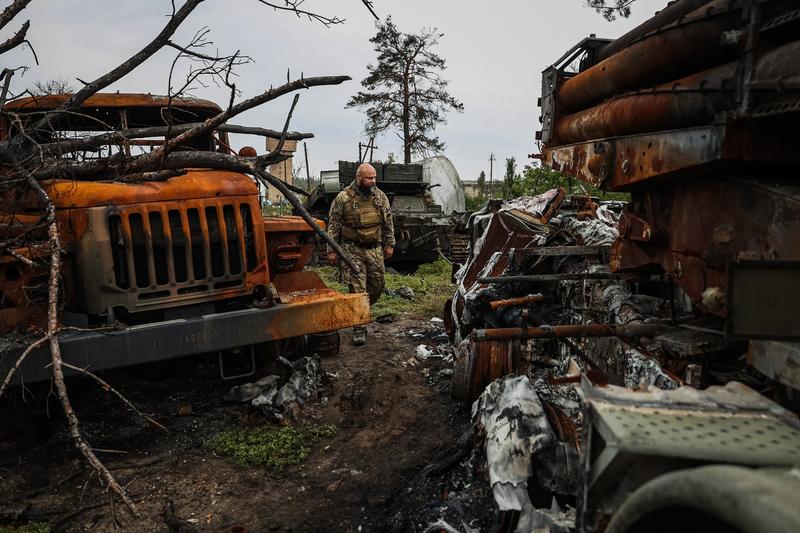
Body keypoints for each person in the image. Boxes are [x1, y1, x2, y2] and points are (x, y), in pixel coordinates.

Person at [326, 163, 394, 345]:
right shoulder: (344, 198)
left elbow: (388, 222)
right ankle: (359, 327)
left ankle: (359, 311)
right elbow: (333, 225)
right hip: (351, 249)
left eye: (374, 177)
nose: (373, 181)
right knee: (357, 289)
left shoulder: (380, 196)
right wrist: (331, 250)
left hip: (374, 249)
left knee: (377, 286)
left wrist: (390, 244)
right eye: (369, 178)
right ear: (358, 178)